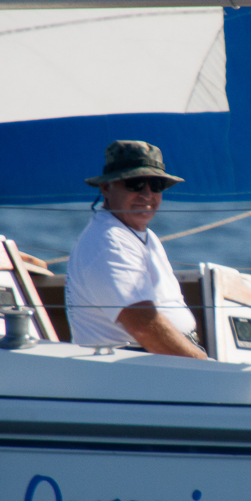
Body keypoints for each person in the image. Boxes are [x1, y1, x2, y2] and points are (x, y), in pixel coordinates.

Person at [66, 140, 207, 359]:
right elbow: (144, 327)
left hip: (156, 360)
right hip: (134, 367)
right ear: (106, 187)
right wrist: (203, 364)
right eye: (135, 184)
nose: (147, 195)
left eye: (156, 185)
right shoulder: (110, 242)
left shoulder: (139, 234)